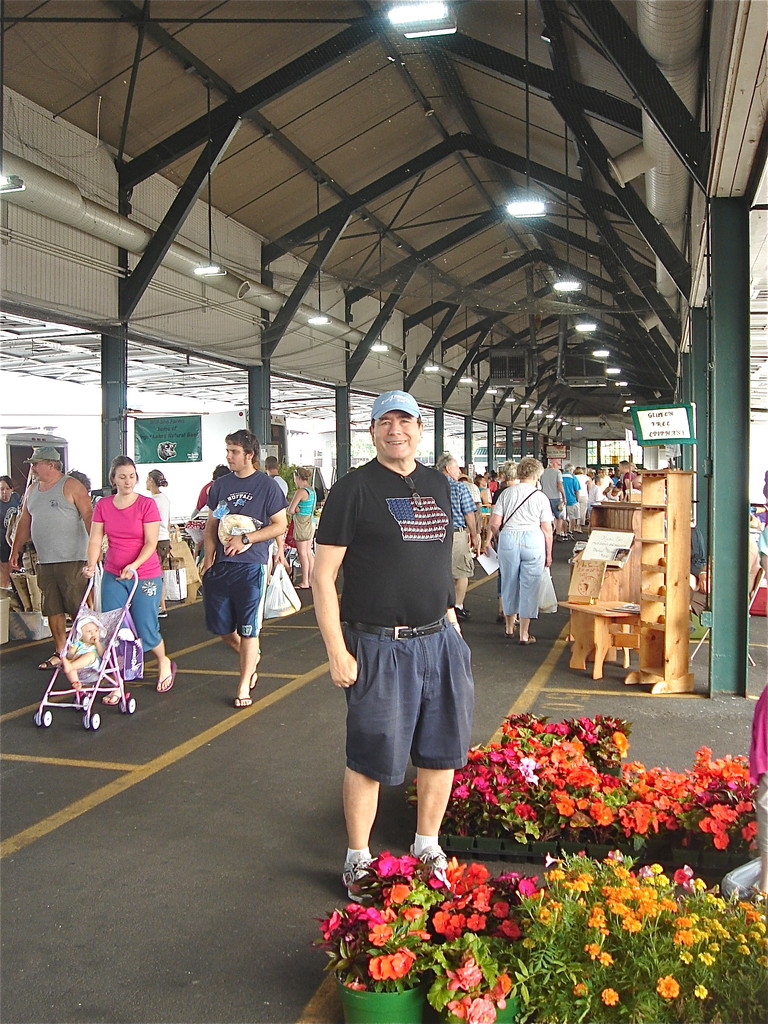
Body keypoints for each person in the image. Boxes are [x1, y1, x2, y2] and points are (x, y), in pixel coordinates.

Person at [312, 389, 474, 900]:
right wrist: (337, 650)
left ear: (421, 429)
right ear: (373, 431)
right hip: (379, 645)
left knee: (440, 750)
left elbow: (435, 559)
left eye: (405, 421)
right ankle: (357, 857)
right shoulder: (352, 490)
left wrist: (450, 616)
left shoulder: (438, 486)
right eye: (386, 422)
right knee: (370, 754)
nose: (396, 430)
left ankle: (427, 845)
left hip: (439, 641)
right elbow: (322, 577)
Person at [201, 429, 287, 709]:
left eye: (234, 452)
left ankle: (243, 685)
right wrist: (208, 554)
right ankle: (252, 658)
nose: (229, 456)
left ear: (250, 455)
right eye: (227, 451)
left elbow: (279, 525)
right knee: (223, 628)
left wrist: (247, 538)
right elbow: (213, 522)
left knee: (249, 629)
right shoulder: (220, 486)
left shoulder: (268, 486)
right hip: (222, 565)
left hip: (251, 566)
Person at [85, 455, 175, 700]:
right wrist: (91, 564)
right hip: (114, 574)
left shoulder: (147, 504)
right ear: (113, 479)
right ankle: (117, 682)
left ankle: (162, 661)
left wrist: (134, 565)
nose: (128, 481)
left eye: (132, 476)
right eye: (122, 477)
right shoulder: (103, 505)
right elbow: (95, 540)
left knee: (145, 627)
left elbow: (150, 543)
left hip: (144, 574)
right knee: (115, 630)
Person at [9, 447, 93, 671]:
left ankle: (85, 651)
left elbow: (89, 516)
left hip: (73, 559)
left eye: (36, 464)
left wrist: (95, 552)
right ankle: (61, 651)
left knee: (77, 606)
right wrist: (15, 550)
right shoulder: (32, 491)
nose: (33, 468)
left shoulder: (72, 486)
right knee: (52, 607)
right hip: (45, 560)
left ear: (51, 465)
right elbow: (24, 522)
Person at [488, 456, 553, 644]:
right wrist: (548, 554)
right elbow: (547, 530)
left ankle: (509, 627)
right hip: (533, 539)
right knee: (530, 585)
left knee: (509, 582)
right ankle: (524, 633)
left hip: (508, 538)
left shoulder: (506, 493)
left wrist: (500, 536)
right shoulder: (540, 497)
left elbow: (494, 523)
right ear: (537, 475)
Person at [436, 453, 480, 621]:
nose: (459, 471)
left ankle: (441, 607)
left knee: (440, 571)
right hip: (456, 534)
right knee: (462, 571)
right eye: (456, 468)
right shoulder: (460, 487)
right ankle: (457, 607)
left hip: (435, 535)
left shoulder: (430, 487)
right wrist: (475, 535)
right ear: (448, 469)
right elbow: (469, 514)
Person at [285, 466, 316, 589]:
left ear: (298, 477)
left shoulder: (301, 492)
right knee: (308, 552)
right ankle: (311, 579)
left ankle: (304, 581)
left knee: (302, 553)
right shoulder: (311, 491)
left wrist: (296, 509)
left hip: (302, 524)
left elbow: (291, 510)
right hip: (310, 522)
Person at [146, 469, 171, 616]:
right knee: (158, 573)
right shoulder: (165, 499)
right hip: (164, 539)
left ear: (151, 480)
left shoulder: (152, 501)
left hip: (155, 540)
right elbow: (167, 522)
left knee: (152, 574)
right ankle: (161, 606)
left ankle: (157, 606)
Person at [60, 615, 105, 692]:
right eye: (89, 632)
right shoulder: (78, 643)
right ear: (81, 635)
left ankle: (70, 667)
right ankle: (76, 682)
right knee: (69, 663)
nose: (93, 633)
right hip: (78, 664)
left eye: (96, 630)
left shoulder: (99, 644)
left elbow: (102, 654)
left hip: (93, 663)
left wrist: (97, 643)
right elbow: (70, 656)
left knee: (89, 655)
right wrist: (70, 651)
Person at [0, 475, 20, 589]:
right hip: (2, 540)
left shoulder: (15, 498)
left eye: (7, 489)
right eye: (1, 489)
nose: (4, 492)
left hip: (14, 538)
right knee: (4, 568)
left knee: (12, 567)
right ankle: (4, 590)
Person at [540, 457, 567, 540]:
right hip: (556, 497)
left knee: (547, 517)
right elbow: (559, 485)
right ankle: (558, 534)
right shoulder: (557, 472)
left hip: (544, 497)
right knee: (560, 517)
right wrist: (564, 496)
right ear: (554, 464)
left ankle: (549, 532)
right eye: (558, 464)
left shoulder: (542, 472)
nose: (559, 466)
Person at [561, 463, 580, 539]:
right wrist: (577, 500)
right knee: (572, 517)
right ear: (571, 470)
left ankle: (564, 533)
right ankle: (570, 531)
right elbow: (577, 490)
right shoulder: (573, 478)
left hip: (562, 500)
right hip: (572, 500)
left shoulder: (560, 477)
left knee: (563, 517)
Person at [574, 466, 589, 531]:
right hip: (584, 495)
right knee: (582, 512)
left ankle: (574, 526)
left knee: (575, 511)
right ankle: (579, 527)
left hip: (574, 495)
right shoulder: (585, 477)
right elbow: (589, 484)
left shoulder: (573, 477)